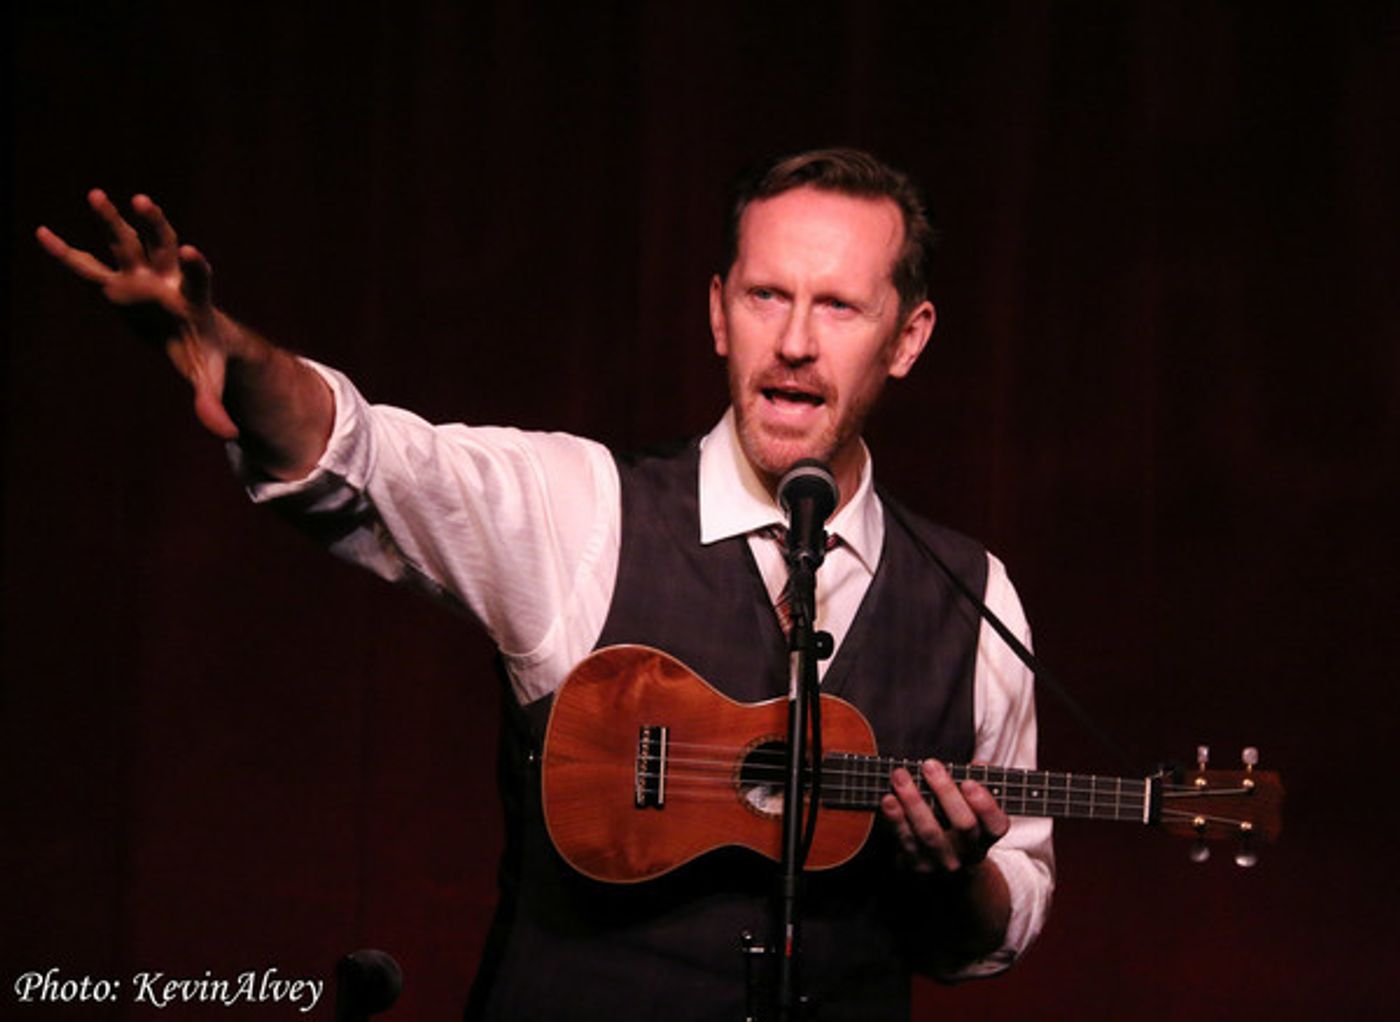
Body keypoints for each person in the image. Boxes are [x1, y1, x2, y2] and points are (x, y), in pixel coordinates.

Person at [37, 149, 1053, 1020]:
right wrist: (229, 354)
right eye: (764, 295)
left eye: (836, 304)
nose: (793, 339)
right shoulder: (582, 509)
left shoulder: (973, 600)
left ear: (907, 336)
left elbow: (999, 917)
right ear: (717, 311)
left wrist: (955, 875)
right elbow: (370, 456)